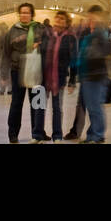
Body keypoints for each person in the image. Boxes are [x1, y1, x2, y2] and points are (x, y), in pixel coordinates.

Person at [1, 2, 47, 143]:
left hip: (36, 71)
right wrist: (3, 75)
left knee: (37, 103)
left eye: (27, 12)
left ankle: (38, 132)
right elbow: (6, 53)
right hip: (18, 71)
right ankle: (13, 133)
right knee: (16, 103)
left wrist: (39, 44)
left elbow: (49, 45)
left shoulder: (40, 29)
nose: (24, 15)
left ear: (31, 14)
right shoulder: (12, 31)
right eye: (22, 12)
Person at [77, 5, 111, 143]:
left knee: (95, 106)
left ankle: (98, 134)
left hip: (97, 74)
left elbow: (104, 51)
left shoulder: (101, 32)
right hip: (87, 73)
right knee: (91, 107)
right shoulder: (89, 32)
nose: (90, 18)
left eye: (92, 15)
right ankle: (92, 134)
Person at [44, 10, 77, 141]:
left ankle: (57, 135)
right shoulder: (48, 35)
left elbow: (74, 59)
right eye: (57, 18)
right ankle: (37, 133)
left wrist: (72, 80)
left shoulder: (70, 37)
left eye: (62, 19)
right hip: (43, 78)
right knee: (39, 107)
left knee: (57, 107)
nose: (58, 21)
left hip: (59, 77)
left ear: (67, 22)